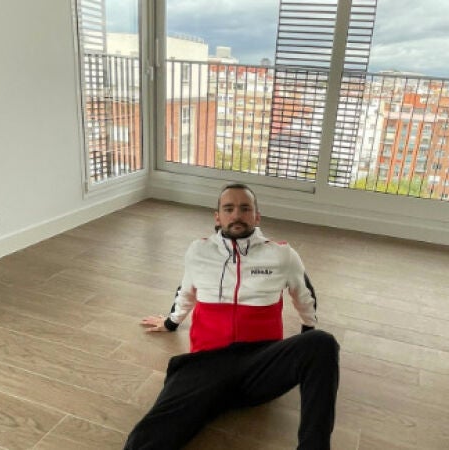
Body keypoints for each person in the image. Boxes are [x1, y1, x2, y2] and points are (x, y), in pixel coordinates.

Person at [124, 183, 340, 450]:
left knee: (322, 343)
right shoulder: (198, 251)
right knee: (145, 439)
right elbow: (186, 292)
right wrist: (171, 322)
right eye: (229, 209)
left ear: (257, 216)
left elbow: (304, 295)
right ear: (217, 217)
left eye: (245, 208)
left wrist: (306, 340)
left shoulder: (282, 255)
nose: (237, 215)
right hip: (204, 367)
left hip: (259, 367)